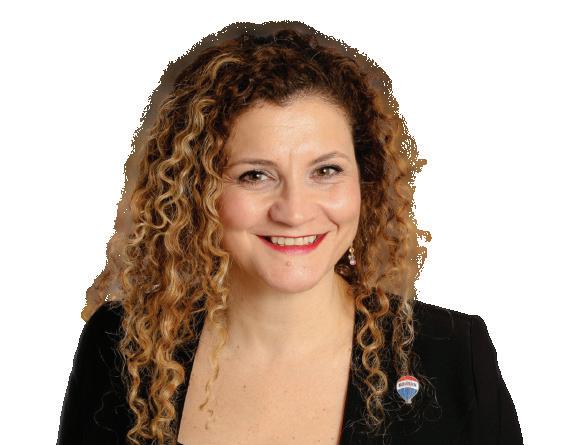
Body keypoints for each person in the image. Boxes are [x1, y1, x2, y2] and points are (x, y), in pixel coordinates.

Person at [56, 22, 524, 445]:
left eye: (326, 170)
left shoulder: (454, 354)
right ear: (197, 191)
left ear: (365, 180)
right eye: (255, 175)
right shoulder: (119, 346)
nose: (295, 212)